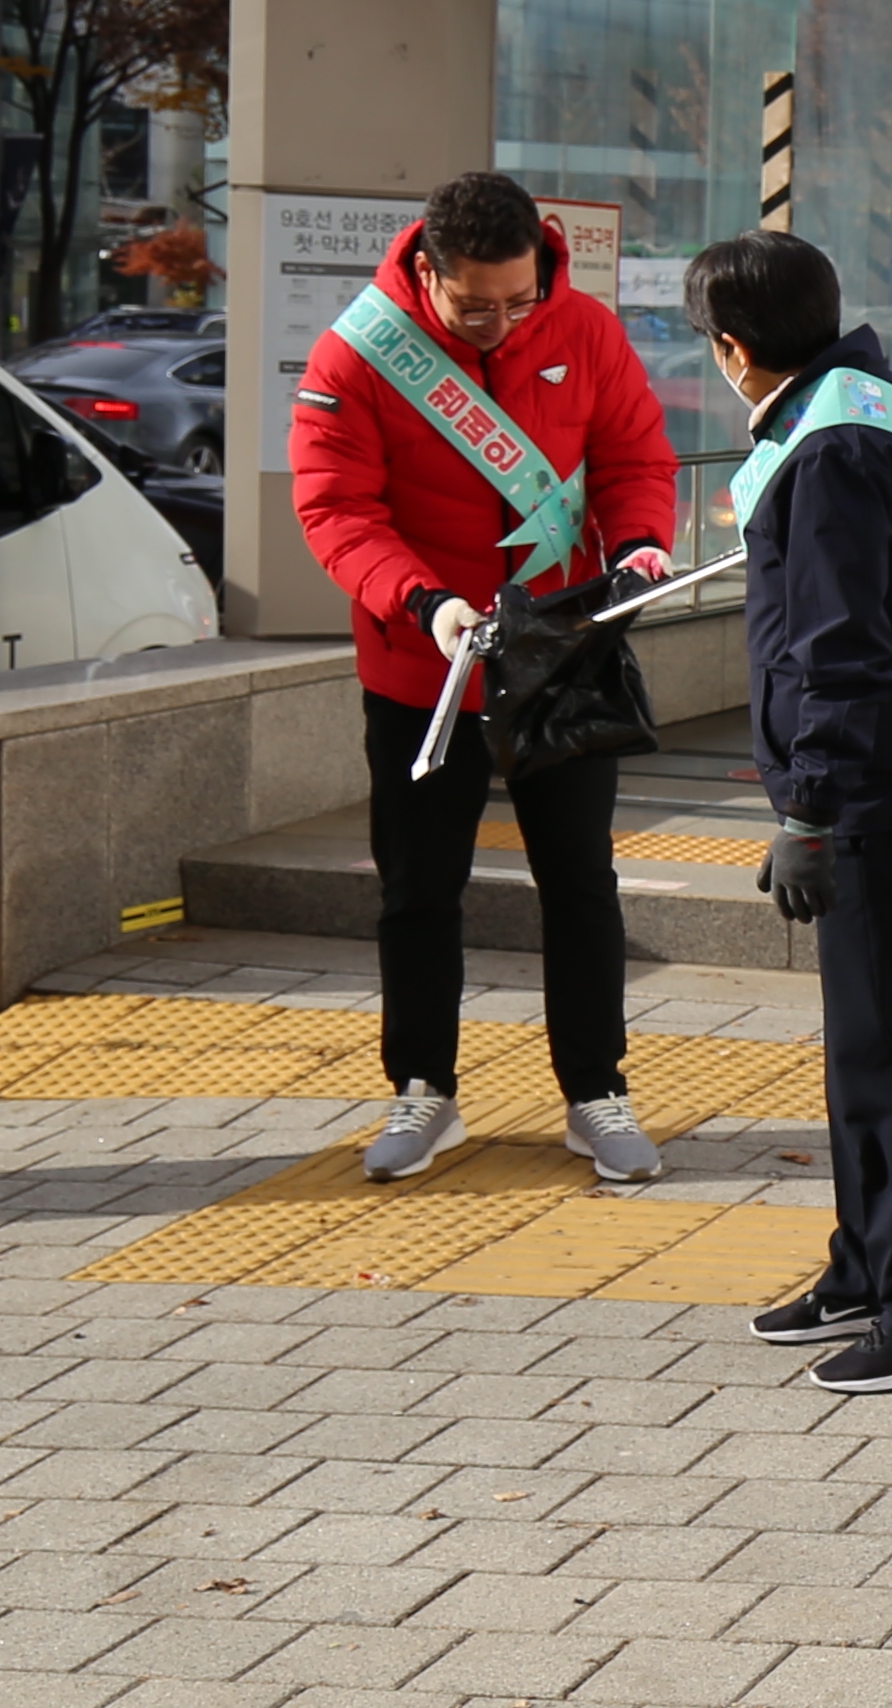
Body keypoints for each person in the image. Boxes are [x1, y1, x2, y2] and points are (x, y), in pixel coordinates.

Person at [289, 170, 682, 1189]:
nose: (503, 322)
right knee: (419, 889)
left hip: (559, 654)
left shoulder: (585, 329)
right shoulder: (356, 353)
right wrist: (425, 604)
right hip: (423, 664)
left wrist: (639, 547)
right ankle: (424, 1089)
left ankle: (596, 1093)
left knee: (582, 886)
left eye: (520, 300)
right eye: (477, 306)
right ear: (428, 271)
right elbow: (336, 511)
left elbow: (637, 458)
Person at [704, 230, 892, 1397]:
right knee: (863, 1053)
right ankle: (867, 1267)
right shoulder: (874, 401)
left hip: (880, 789)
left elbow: (837, 648)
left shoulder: (827, 448)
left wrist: (813, 812)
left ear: (734, 348)